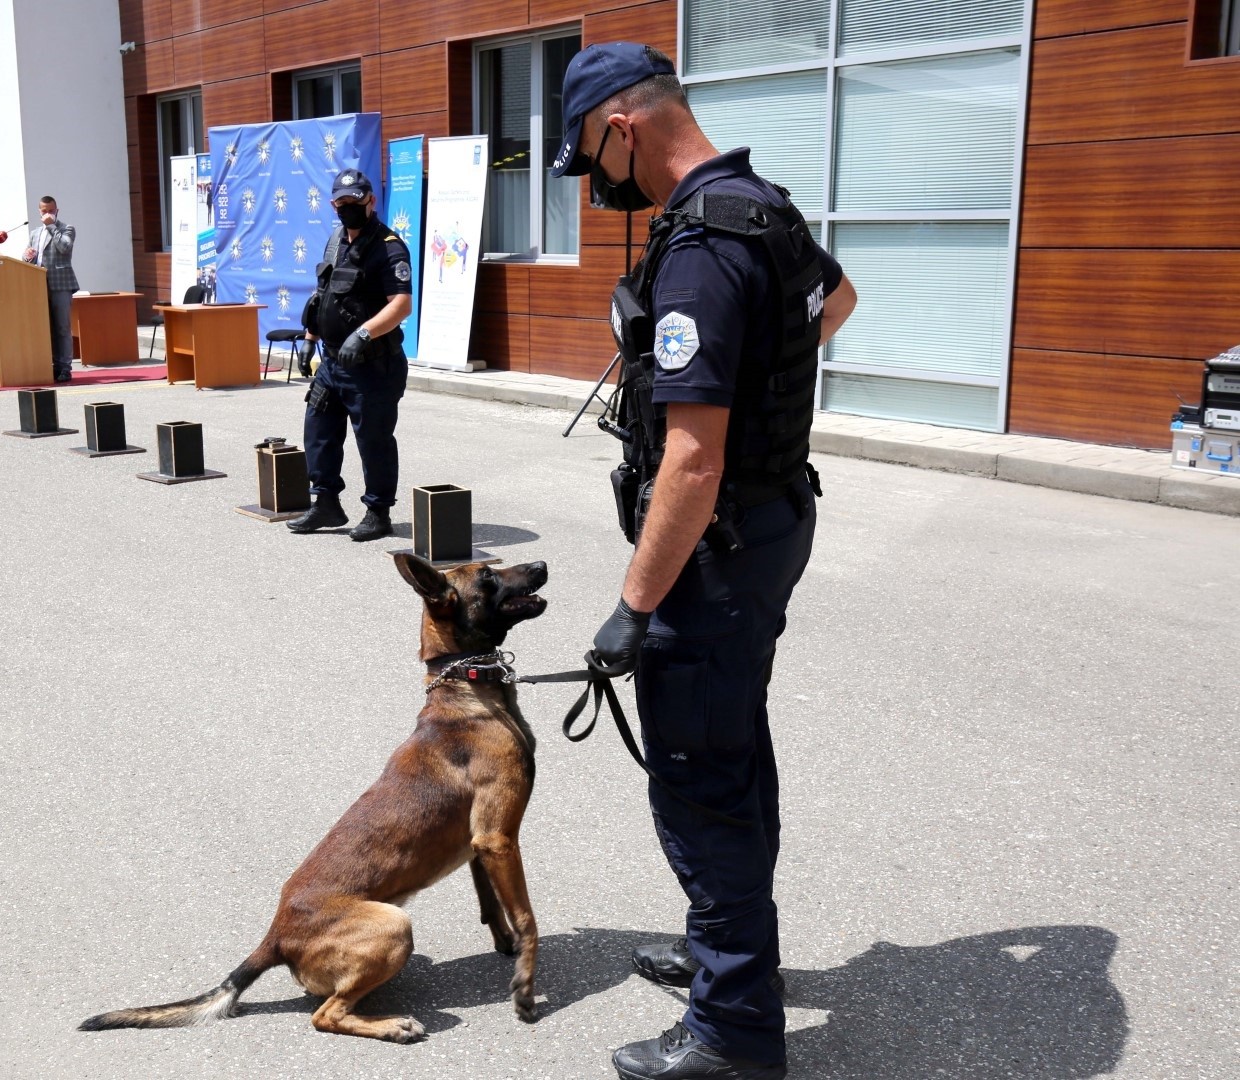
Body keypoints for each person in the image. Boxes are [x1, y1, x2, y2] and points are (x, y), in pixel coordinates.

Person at [550, 43, 858, 1080]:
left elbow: (691, 455)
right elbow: (837, 300)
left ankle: (733, 1035)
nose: (598, 181)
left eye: (593, 156)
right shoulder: (760, 205)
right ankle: (719, 955)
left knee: (699, 779)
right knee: (733, 742)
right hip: (771, 526)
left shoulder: (700, 244)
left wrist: (633, 607)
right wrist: (761, 372)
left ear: (621, 127)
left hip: (714, 550)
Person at [287, 169, 414, 543]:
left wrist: (364, 333)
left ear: (371, 201)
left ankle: (378, 512)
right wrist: (310, 336)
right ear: (333, 205)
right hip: (332, 363)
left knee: (373, 439)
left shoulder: (389, 246)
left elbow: (402, 304)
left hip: (373, 364)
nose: (349, 208)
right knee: (319, 430)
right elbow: (323, 294)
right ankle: (326, 501)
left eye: (356, 202)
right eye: (342, 203)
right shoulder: (334, 241)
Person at [24, 196, 78, 382]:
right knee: (45, 328)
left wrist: (52, 226)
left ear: (57, 211)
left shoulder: (66, 229)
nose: (48, 214)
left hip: (60, 283)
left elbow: (64, 247)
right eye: (44, 211)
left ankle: (65, 368)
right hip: (39, 286)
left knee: (62, 327)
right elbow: (29, 258)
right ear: (39, 211)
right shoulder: (34, 233)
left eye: (51, 210)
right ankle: (50, 365)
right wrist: (27, 256)